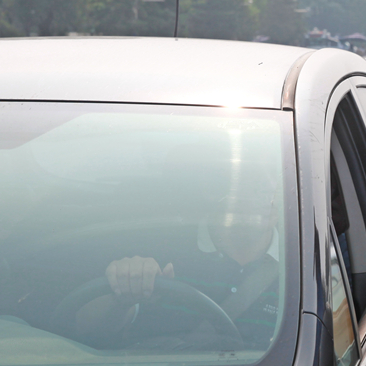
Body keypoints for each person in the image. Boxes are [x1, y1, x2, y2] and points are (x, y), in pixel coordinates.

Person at [74, 141, 283, 351]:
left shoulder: (303, 261)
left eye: (277, 174)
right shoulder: (158, 248)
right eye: (253, 174)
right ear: (215, 185)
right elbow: (84, 333)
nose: (270, 186)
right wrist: (121, 295)